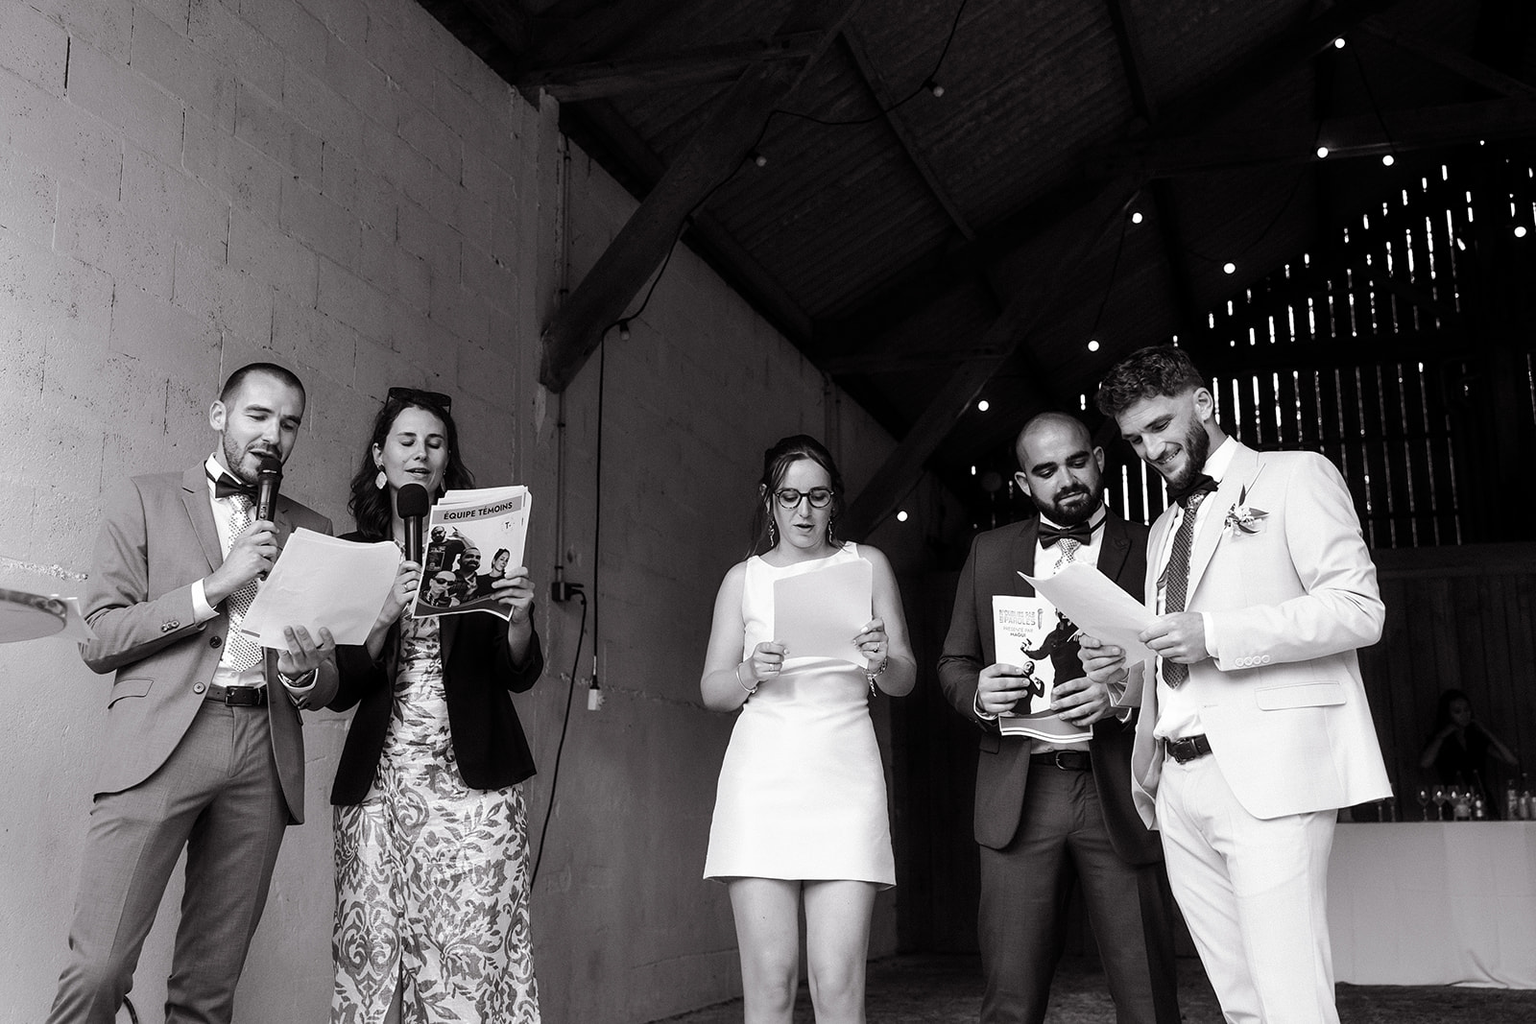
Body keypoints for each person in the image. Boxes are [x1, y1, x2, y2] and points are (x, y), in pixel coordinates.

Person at [1081, 345, 1390, 1024]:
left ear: (1204, 403)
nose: (1152, 449)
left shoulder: (1295, 477)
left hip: (1269, 773)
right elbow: (1174, 663)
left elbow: (1359, 609)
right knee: (1241, 1003)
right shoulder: (1164, 528)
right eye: (1135, 440)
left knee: (1290, 999)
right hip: (1177, 781)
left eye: (1161, 426)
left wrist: (1216, 634)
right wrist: (1125, 681)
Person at [47, 363, 338, 1024]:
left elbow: (322, 675)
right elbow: (98, 637)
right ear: (219, 415)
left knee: (209, 989)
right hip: (161, 743)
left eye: (289, 424)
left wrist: (307, 674)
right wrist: (214, 587)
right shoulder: (146, 498)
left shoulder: (310, 526)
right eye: (257, 416)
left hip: (264, 751)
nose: (273, 435)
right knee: (100, 970)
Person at [938, 413, 1180, 1024]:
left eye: (1075, 461)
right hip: (1020, 791)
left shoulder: (1153, 544)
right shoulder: (989, 552)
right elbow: (953, 661)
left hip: (1122, 788)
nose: (1065, 479)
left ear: (1099, 459)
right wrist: (976, 693)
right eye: (1045, 470)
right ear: (1023, 483)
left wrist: (1123, 691)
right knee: (1009, 1004)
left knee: (1148, 997)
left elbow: (1184, 660)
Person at [328, 387, 544, 1023]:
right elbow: (340, 686)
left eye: (435, 443)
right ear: (380, 456)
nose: (420, 454)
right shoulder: (353, 553)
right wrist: (384, 614)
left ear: (448, 461)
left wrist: (520, 617)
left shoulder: (481, 543)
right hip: (377, 790)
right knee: (371, 970)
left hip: (473, 790)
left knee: (470, 963)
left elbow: (518, 672)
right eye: (406, 441)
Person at [700, 434, 916, 1023]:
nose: (803, 510)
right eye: (789, 496)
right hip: (762, 779)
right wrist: (749, 670)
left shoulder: (867, 564)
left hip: (846, 776)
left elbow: (904, 677)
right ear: (768, 501)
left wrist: (882, 660)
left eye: (817, 497)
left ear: (833, 502)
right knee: (770, 984)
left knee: (839, 984)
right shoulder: (741, 579)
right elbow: (713, 690)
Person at [1419, 688, 1518, 814]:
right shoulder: (1440, 740)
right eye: (1457, 711)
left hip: (1480, 799)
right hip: (1454, 800)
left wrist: (1485, 731)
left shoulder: (1475, 738)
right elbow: (1425, 763)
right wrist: (1442, 736)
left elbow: (1512, 760)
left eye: (1467, 710)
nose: (1464, 715)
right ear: (1447, 714)